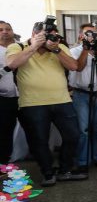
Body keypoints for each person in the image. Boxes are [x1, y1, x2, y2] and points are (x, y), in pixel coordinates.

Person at [4, 22, 81, 186]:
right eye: (46, 35)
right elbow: (12, 64)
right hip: (33, 103)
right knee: (39, 140)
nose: (50, 39)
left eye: (53, 35)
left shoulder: (59, 47)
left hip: (62, 101)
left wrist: (56, 49)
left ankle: (65, 170)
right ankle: (47, 173)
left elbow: (74, 66)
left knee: (73, 135)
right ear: (34, 34)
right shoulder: (17, 47)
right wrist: (34, 46)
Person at [70, 23, 97, 173]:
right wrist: (85, 49)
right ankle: (83, 161)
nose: (93, 37)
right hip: (81, 94)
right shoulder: (74, 51)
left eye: (96, 34)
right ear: (81, 36)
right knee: (84, 130)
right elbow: (78, 67)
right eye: (89, 34)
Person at [0, 20, 18, 165]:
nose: (5, 32)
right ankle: (4, 165)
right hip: (4, 98)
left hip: (26, 96)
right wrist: (6, 69)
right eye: (1, 30)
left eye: (8, 29)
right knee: (5, 132)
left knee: (34, 131)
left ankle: (44, 165)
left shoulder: (22, 47)